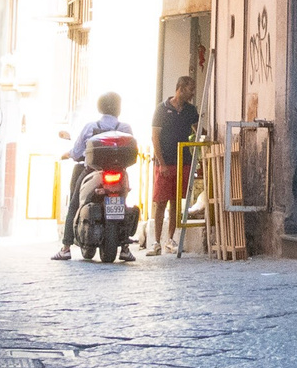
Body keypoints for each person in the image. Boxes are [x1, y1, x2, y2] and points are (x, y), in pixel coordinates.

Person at [53, 92, 130, 261]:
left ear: (100, 108)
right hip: (119, 173)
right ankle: (125, 247)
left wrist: (68, 154)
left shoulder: (90, 127)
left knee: (75, 203)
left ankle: (66, 247)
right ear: (119, 108)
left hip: (92, 172)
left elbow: (77, 152)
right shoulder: (125, 128)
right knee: (123, 201)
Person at [147, 76, 200, 255]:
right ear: (180, 88)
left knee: (176, 202)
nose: (192, 93)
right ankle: (156, 241)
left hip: (183, 161)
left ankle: (170, 239)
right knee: (161, 201)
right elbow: (155, 137)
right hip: (165, 162)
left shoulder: (191, 110)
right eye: (190, 89)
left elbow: (198, 129)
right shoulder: (161, 110)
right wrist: (161, 163)